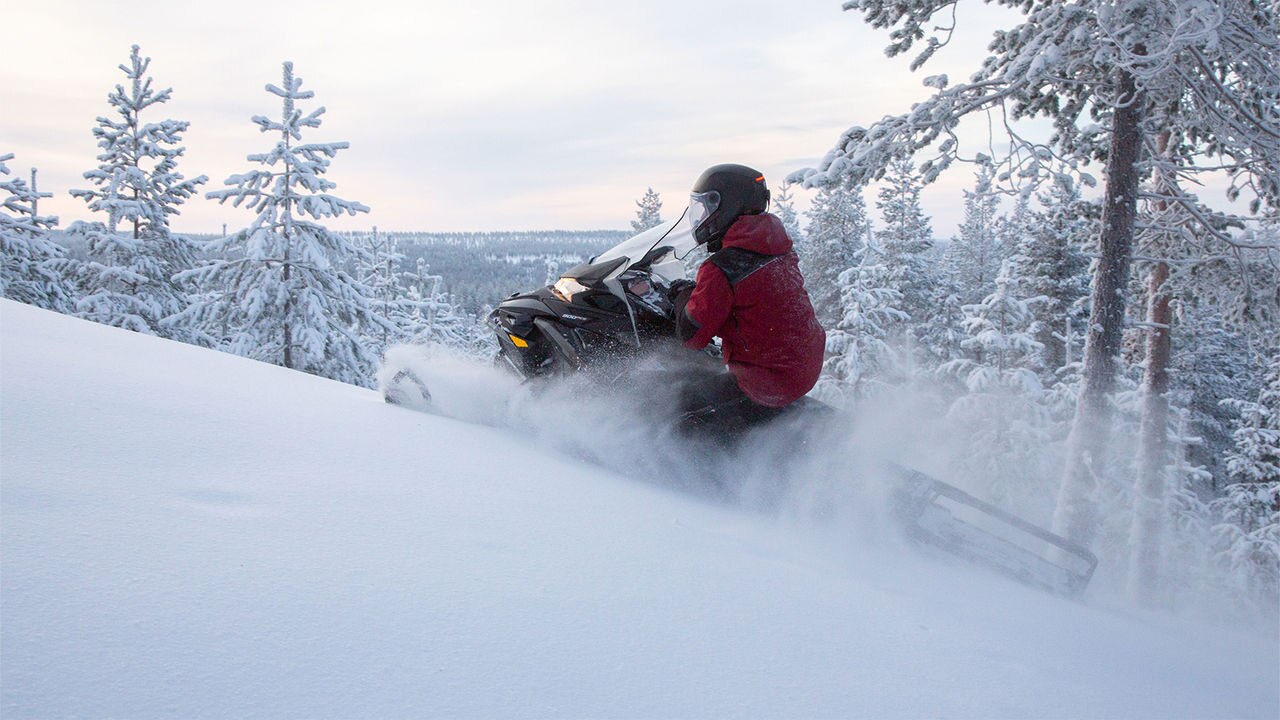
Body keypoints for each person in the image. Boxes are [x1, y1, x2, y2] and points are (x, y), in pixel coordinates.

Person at [667, 163, 826, 438]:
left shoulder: (723, 266)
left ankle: (689, 474)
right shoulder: (775, 250)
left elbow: (691, 335)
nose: (701, 218)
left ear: (726, 207)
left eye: (706, 209)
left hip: (764, 383)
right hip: (796, 371)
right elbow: (752, 303)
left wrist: (681, 294)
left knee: (678, 408)